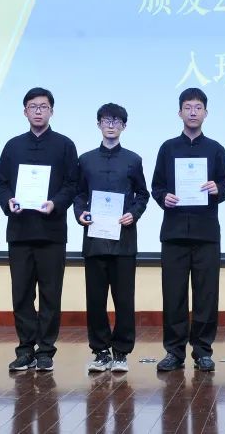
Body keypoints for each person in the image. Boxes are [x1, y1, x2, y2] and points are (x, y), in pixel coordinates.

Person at [0, 87, 80, 371]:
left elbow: (72, 184)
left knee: (50, 294)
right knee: (21, 293)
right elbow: (0, 182)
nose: (38, 111)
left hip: (51, 232)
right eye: (33, 106)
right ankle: (25, 349)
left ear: (51, 111)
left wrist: (55, 203)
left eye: (43, 106)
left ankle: (45, 350)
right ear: (25, 112)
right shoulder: (13, 145)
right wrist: (8, 201)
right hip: (20, 231)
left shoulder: (65, 145)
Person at [151, 88, 225, 372]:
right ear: (180, 112)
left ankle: (203, 350)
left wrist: (217, 188)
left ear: (206, 113)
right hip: (174, 233)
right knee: (173, 295)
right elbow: (157, 186)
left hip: (206, 233)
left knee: (206, 295)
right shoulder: (168, 148)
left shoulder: (216, 149)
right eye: (188, 107)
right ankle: (174, 351)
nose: (193, 112)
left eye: (198, 107)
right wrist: (164, 197)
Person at [73, 103, 149, 374]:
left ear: (124, 126)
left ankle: (121, 352)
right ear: (98, 124)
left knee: (124, 299)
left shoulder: (133, 159)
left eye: (117, 121)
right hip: (94, 240)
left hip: (123, 241)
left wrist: (133, 214)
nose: (111, 125)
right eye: (106, 120)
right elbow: (79, 194)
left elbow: (143, 194)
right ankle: (100, 351)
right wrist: (80, 213)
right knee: (95, 300)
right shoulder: (85, 159)